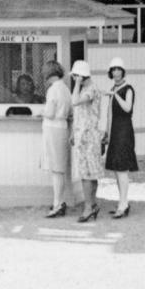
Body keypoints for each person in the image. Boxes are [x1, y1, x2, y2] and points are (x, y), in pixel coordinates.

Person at [70, 60, 104, 222]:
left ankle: (88, 207)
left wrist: (76, 84)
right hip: (83, 135)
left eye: (76, 76)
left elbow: (75, 101)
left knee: (87, 174)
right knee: (90, 173)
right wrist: (73, 132)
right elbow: (79, 113)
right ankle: (92, 204)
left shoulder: (90, 89)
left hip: (88, 137)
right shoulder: (87, 88)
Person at [103, 57, 138, 218]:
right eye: (113, 70)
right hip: (115, 131)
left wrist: (115, 95)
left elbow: (127, 107)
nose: (116, 72)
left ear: (123, 71)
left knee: (122, 168)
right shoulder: (113, 88)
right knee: (117, 169)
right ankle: (122, 202)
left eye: (118, 69)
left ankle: (123, 204)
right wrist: (107, 133)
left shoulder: (128, 89)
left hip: (124, 131)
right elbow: (109, 114)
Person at [41, 60, 72, 218]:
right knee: (60, 169)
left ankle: (57, 203)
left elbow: (50, 113)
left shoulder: (53, 90)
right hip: (63, 128)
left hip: (53, 128)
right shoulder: (65, 89)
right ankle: (59, 201)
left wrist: (41, 111)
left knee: (56, 170)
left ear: (48, 74)